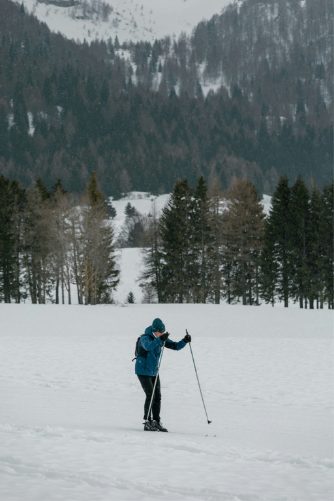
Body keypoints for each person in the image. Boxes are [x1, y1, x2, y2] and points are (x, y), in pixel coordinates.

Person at [135, 317, 191, 432]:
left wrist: (184, 341)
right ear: (154, 330)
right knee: (150, 395)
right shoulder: (145, 338)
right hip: (143, 371)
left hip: (154, 371)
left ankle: (156, 421)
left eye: (163, 332)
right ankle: (147, 422)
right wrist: (160, 339)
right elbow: (148, 346)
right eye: (160, 332)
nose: (162, 333)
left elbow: (175, 346)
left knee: (157, 396)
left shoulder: (160, 338)